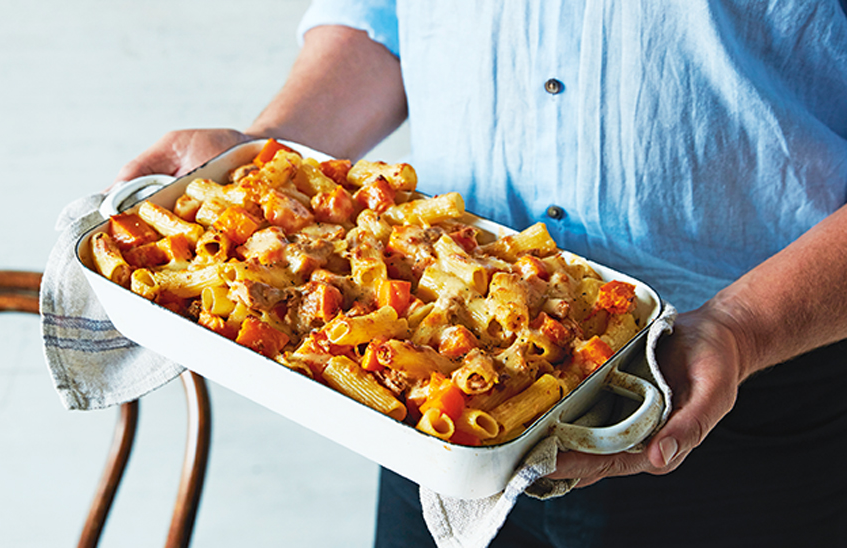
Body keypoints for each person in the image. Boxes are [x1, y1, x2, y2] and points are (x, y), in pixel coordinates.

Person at [116, 1, 847, 546]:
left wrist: (744, 326)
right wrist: (258, 156)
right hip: (432, 396)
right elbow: (386, 23)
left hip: (745, 386)